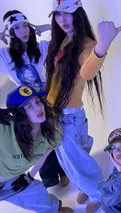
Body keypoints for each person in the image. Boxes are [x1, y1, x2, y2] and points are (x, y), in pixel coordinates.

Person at [46, 0, 121, 213]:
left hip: (69, 117)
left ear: (78, 14)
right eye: (57, 15)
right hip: (58, 114)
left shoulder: (87, 44)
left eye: (67, 13)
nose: (62, 19)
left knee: (77, 162)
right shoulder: (63, 41)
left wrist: (103, 46)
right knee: (69, 159)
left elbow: (87, 71)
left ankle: (98, 193)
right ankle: (86, 187)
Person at [0, 10, 69, 188]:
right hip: (27, 105)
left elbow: (67, 36)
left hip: (49, 99)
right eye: (17, 28)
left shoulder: (42, 48)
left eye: (25, 26)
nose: (24, 31)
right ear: (10, 32)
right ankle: (50, 178)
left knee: (56, 136)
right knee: (39, 140)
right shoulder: (6, 56)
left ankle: (64, 171)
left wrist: (45, 27)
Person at [0, 85, 72, 213]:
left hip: (12, 180)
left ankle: (55, 210)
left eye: (38, 101)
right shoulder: (5, 130)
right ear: (19, 114)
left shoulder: (52, 134)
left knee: (36, 190)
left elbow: (43, 156)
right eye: (29, 106)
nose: (38, 108)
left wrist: (29, 176)